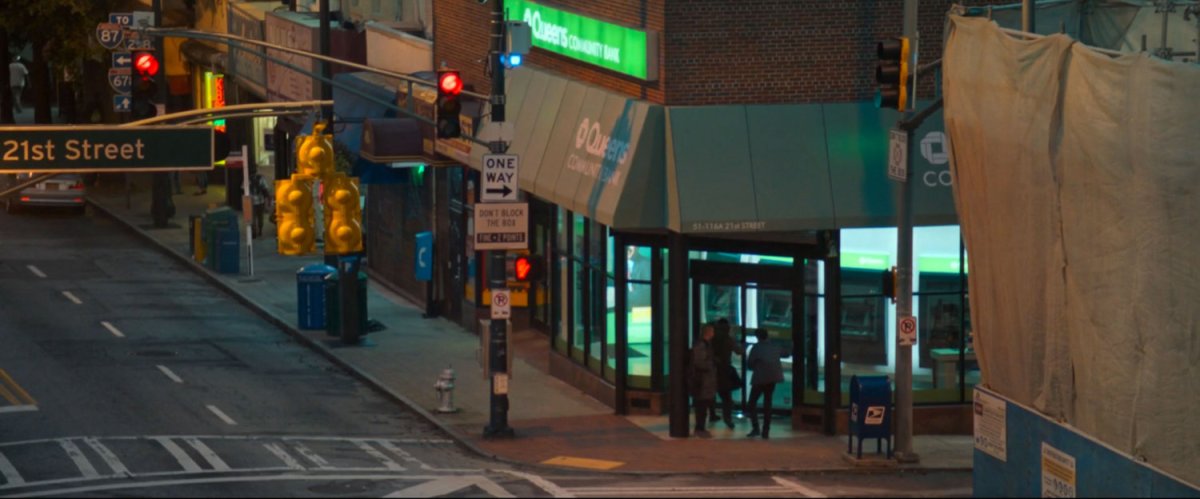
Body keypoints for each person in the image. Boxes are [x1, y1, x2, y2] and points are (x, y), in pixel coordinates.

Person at [745, 328, 786, 439]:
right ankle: (765, 431)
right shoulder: (775, 347)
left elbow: (750, 364)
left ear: (757, 337)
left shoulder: (756, 348)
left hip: (760, 378)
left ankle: (756, 428)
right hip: (772, 378)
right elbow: (785, 353)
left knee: (752, 402)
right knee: (768, 403)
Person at [709, 318, 742, 429]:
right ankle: (727, 419)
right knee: (726, 398)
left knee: (711, 394)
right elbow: (739, 351)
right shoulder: (729, 340)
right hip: (724, 370)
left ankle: (712, 414)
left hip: (712, 370)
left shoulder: (712, 340)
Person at [689, 323, 719, 438]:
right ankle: (699, 428)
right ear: (709, 332)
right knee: (701, 406)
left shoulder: (705, 345)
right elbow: (700, 362)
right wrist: (711, 365)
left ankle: (701, 427)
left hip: (705, 381)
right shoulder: (702, 345)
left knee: (703, 405)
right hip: (702, 381)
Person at [250, 172, 271, 238]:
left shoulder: (248, 179)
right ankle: (259, 231)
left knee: (253, 218)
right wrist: (268, 199)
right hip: (260, 201)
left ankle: (254, 232)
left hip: (252, 202)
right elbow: (266, 190)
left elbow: (243, 189)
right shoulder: (262, 178)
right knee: (260, 217)